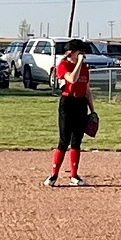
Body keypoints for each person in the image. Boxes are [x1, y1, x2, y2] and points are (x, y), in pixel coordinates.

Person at [44, 39, 95, 187]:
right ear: (71, 53)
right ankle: (54, 175)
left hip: (80, 104)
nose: (83, 55)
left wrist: (92, 110)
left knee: (76, 141)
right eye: (80, 52)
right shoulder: (63, 65)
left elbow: (86, 90)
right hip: (67, 103)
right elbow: (72, 79)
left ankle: (74, 175)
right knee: (64, 140)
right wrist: (78, 63)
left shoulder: (84, 68)